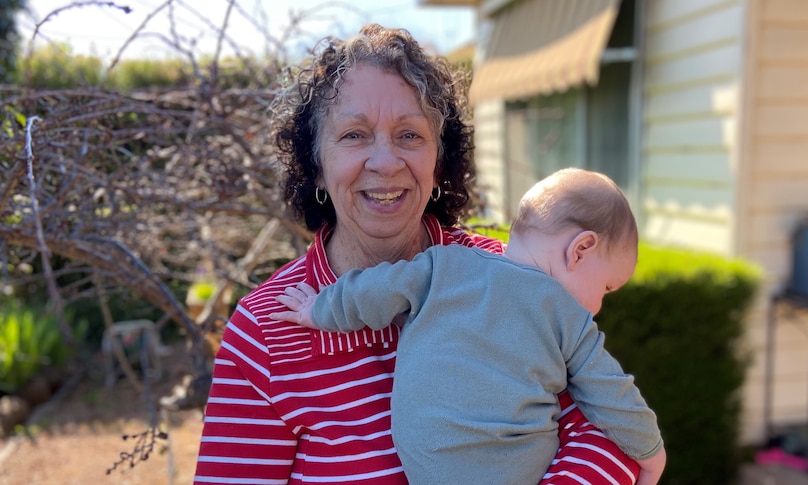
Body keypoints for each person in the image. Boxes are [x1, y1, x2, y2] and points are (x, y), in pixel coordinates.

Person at [194, 23, 647, 485]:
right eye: (354, 134)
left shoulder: (512, 277)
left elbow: (606, 436)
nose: (386, 162)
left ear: (439, 159)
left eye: (410, 134)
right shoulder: (264, 332)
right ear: (316, 165)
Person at [273, 168, 666, 485]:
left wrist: (317, 310)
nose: (599, 306)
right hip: (516, 468)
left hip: (429, 463)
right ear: (580, 250)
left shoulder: (446, 265)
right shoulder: (567, 317)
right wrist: (651, 453)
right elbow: (613, 395)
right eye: (607, 288)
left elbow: (379, 288)